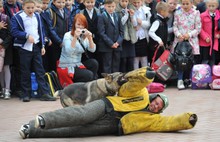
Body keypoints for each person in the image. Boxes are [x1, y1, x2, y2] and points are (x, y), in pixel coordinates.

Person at [18, 67, 197, 139]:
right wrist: (146, 76)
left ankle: (30, 130)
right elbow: (133, 83)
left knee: (74, 132)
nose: (156, 105)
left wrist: (188, 120)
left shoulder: (153, 120)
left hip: (113, 126)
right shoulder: (141, 92)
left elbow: (168, 123)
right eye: (157, 102)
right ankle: (45, 119)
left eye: (159, 107)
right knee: (82, 115)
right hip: (107, 106)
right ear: (153, 98)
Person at [10, 0, 56, 102]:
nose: (31, 10)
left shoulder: (37, 16)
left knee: (40, 70)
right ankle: (26, 94)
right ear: (23, 7)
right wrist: (26, 36)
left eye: (32, 7)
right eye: (28, 8)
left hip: (36, 47)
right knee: (25, 70)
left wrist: (43, 45)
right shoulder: (17, 17)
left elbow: (41, 31)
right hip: (24, 47)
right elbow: (14, 31)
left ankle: (44, 93)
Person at [57, 13, 98, 86]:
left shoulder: (84, 36)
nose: (80, 27)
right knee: (89, 75)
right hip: (67, 65)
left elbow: (92, 50)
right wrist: (75, 37)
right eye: (78, 24)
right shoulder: (67, 35)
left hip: (78, 64)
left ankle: (90, 85)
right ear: (74, 24)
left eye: (83, 25)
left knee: (94, 63)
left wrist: (90, 38)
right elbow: (69, 51)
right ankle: (82, 86)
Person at [172, 0, 201, 90]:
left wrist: (189, 34)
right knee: (180, 61)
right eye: (183, 4)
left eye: (187, 4)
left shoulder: (196, 13)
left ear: (191, 3)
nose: (185, 6)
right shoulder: (177, 12)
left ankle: (191, 80)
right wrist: (179, 35)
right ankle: (180, 80)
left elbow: (198, 28)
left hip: (191, 40)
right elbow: (175, 26)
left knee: (191, 61)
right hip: (180, 40)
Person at [97, 0, 124, 73]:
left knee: (116, 64)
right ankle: (107, 82)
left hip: (117, 45)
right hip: (106, 46)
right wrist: (111, 43)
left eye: (113, 6)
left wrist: (118, 42)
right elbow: (101, 33)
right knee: (107, 65)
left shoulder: (117, 15)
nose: (111, 8)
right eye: (109, 6)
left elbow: (121, 31)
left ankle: (115, 80)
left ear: (115, 6)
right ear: (105, 6)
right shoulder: (102, 16)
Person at [46, 0, 69, 72]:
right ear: (53, 2)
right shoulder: (50, 12)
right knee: (54, 63)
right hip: (55, 42)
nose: (61, 4)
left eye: (63, 2)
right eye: (59, 2)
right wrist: (59, 41)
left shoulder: (66, 11)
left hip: (64, 41)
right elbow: (51, 29)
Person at [115, 0, 136, 73]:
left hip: (131, 38)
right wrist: (126, 15)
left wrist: (132, 16)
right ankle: (123, 77)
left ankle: (131, 78)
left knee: (131, 60)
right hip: (122, 38)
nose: (124, 3)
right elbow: (120, 24)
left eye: (126, 1)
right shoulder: (116, 10)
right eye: (122, 1)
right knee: (123, 60)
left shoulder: (132, 8)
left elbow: (135, 24)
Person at [131, 0, 151, 69]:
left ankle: (145, 75)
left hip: (143, 37)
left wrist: (141, 22)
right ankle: (136, 76)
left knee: (144, 58)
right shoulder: (130, 11)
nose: (136, 4)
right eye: (134, 2)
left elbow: (148, 24)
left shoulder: (146, 11)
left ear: (141, 2)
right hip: (134, 37)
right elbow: (132, 24)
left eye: (138, 2)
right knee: (135, 59)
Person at [199, 0, 220, 66]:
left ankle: (213, 72)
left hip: (215, 40)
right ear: (206, 6)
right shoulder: (202, 15)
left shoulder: (218, 15)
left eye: (213, 6)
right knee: (205, 58)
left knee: (213, 58)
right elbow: (200, 28)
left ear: (216, 6)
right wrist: (205, 37)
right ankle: (204, 72)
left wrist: (219, 34)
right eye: (209, 6)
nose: (211, 8)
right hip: (205, 41)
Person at [0, 0, 13, 99]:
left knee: (6, 67)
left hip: (6, 47)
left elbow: (10, 34)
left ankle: (7, 89)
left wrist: (3, 45)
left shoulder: (5, 18)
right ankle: (2, 88)